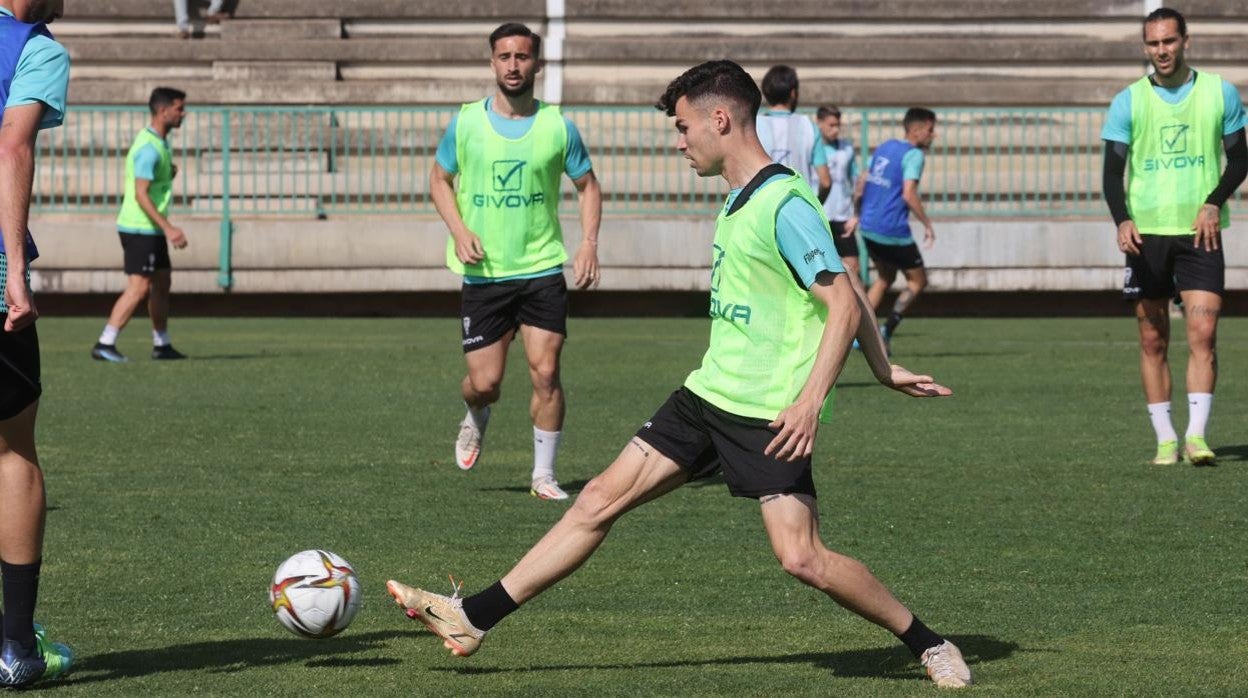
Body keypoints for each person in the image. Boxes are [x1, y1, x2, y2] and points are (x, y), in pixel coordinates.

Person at [387, 60, 972, 689]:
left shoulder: (783, 200)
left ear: (720, 119)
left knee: (801, 557)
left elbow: (838, 302)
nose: (679, 140)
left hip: (766, 413)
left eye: (684, 125)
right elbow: (848, 283)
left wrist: (810, 402)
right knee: (596, 500)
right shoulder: (739, 198)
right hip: (706, 395)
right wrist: (882, 368)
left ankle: (929, 642)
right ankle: (472, 617)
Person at [430, 23, 602, 501]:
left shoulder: (557, 125)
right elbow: (439, 179)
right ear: (492, 63)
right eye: (504, 56)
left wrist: (588, 241)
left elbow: (588, 185)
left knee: (546, 372)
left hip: (542, 269)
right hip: (485, 274)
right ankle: (477, 413)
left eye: (522, 57)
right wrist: (460, 231)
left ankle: (543, 476)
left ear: (537, 65)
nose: (513, 65)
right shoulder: (466, 122)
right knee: (485, 384)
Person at [1101, 7, 1247, 466]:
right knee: (1153, 339)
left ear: (1186, 41)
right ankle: (1165, 438)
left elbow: (1240, 160)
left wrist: (1214, 200)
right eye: (1153, 43)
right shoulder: (1128, 100)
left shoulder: (1219, 93)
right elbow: (1111, 173)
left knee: (1203, 332)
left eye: (1169, 41)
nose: (1161, 51)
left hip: (1199, 234)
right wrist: (1121, 218)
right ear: (1146, 47)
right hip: (1146, 238)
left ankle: (1196, 437)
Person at [0, 0, 74, 686]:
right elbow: (13, 142)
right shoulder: (36, 48)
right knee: (12, 453)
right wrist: (15, 271)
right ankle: (16, 645)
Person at [91, 87, 189, 363]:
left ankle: (162, 344)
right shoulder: (149, 148)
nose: (183, 113)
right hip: (139, 228)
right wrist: (170, 228)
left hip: (150, 229)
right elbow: (140, 194)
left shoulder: (159, 142)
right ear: (163, 110)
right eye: (179, 108)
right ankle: (105, 342)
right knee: (140, 287)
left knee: (162, 281)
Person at [858, 108, 938, 352]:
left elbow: (863, 181)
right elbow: (909, 194)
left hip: (868, 227)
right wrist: (927, 224)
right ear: (916, 129)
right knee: (918, 281)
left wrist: (857, 213)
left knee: (885, 278)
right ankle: (886, 330)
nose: (933, 135)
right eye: (930, 129)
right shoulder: (914, 155)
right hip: (892, 231)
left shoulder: (885, 146)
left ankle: (859, 334)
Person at [756, 65, 830, 202]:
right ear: (793, 93)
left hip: (761, 210)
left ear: (766, 92)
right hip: (799, 209)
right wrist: (816, 205)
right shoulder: (809, 127)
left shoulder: (752, 125)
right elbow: (825, 182)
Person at [817, 105, 861, 277]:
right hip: (820, 216)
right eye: (831, 125)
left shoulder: (846, 148)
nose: (835, 130)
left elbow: (856, 181)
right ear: (819, 122)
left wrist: (856, 214)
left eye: (838, 125)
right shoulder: (812, 147)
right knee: (822, 270)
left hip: (843, 216)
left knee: (853, 269)